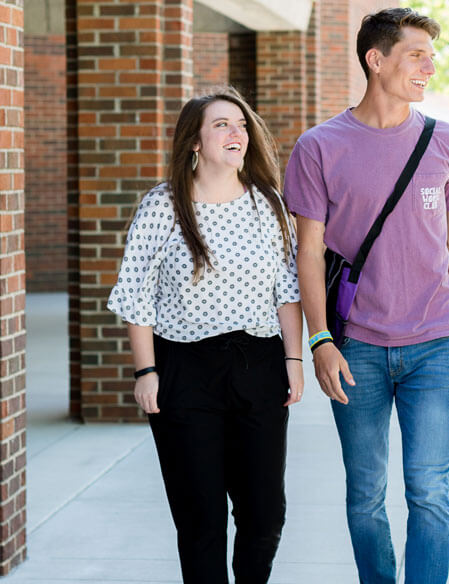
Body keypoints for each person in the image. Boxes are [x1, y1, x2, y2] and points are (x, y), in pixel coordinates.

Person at [283, 7, 449, 584]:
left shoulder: (448, 142)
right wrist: (320, 339)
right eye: (416, 55)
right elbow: (308, 251)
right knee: (366, 493)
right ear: (376, 60)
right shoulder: (318, 147)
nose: (429, 67)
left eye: (432, 55)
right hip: (355, 348)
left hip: (435, 344)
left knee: (429, 490)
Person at [107, 87, 304, 584]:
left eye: (240, 124)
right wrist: (146, 371)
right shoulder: (163, 206)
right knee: (200, 519)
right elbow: (135, 294)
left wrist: (294, 362)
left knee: (264, 515)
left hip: (258, 365)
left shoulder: (269, 205)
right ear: (194, 141)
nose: (235, 132)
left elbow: (287, 288)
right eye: (221, 124)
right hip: (184, 371)